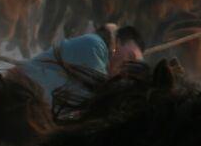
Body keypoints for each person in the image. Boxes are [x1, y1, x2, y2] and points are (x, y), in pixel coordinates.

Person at [15, 24, 144, 103]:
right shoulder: (95, 45)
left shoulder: (102, 59)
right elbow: (96, 96)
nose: (128, 65)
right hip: (19, 92)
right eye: (130, 56)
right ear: (119, 42)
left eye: (133, 65)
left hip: (33, 101)